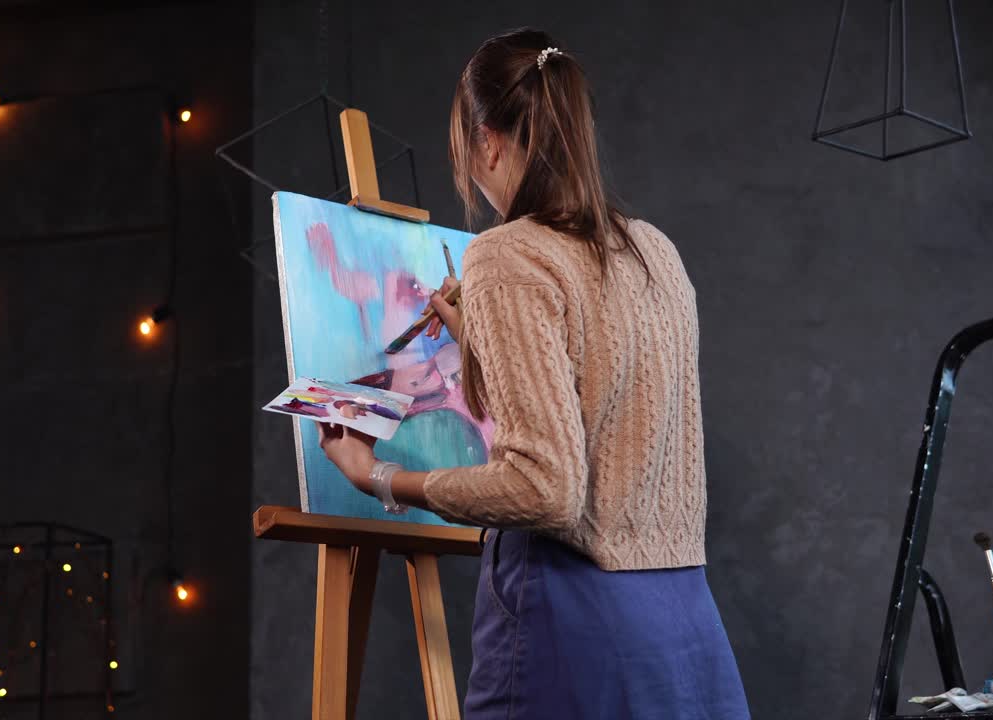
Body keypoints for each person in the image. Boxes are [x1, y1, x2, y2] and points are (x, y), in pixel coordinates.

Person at [317, 27, 750, 719]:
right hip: (687, 627)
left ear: (486, 138)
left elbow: (545, 488)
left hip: (573, 621)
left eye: (464, 142)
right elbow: (598, 410)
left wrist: (380, 480)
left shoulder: (507, 255)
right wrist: (481, 342)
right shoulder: (655, 251)